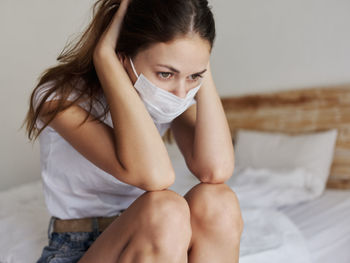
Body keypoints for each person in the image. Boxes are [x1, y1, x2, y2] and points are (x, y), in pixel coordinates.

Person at [23, 0, 244, 262]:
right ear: (123, 56)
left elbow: (215, 170)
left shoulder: (173, 99)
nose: (181, 92)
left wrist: (200, 69)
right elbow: (155, 176)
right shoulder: (57, 100)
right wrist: (105, 59)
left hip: (160, 242)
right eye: (165, 74)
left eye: (194, 76)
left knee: (219, 202)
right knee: (166, 209)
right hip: (76, 245)